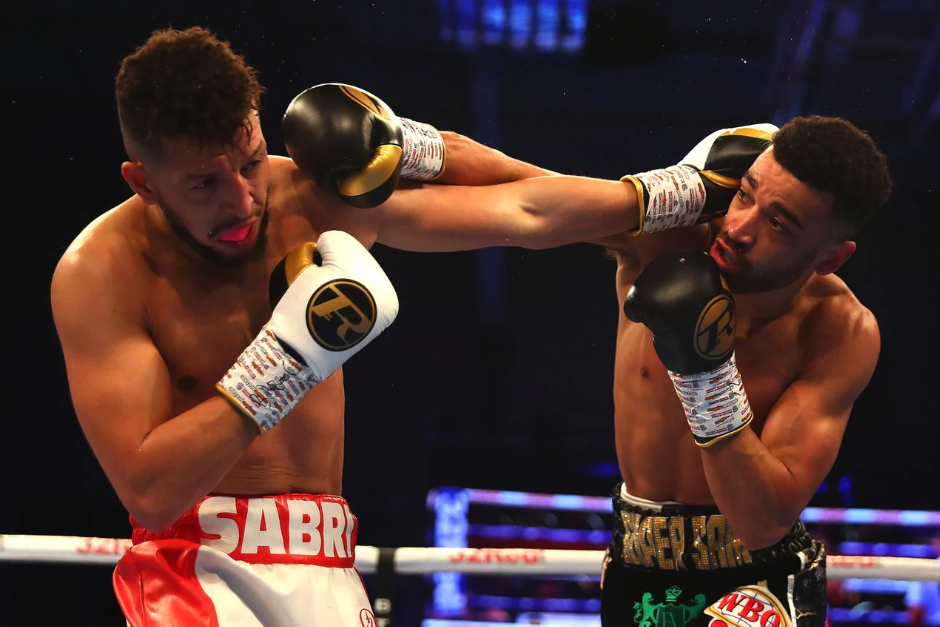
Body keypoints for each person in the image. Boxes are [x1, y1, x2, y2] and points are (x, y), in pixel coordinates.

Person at [50, 25, 753, 625]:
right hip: (195, 568)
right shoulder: (103, 272)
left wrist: (666, 197)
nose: (242, 200)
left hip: (328, 557)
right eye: (204, 183)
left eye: (251, 160)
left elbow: (523, 212)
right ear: (142, 181)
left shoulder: (310, 197)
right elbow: (149, 489)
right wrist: (288, 356)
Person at [597, 114, 893, 627]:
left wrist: (705, 374)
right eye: (744, 196)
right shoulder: (663, 240)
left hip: (757, 580)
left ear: (830, 257)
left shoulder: (837, 329)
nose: (738, 227)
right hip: (636, 559)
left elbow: (761, 523)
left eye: (779, 223)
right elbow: (524, 203)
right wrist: (424, 154)